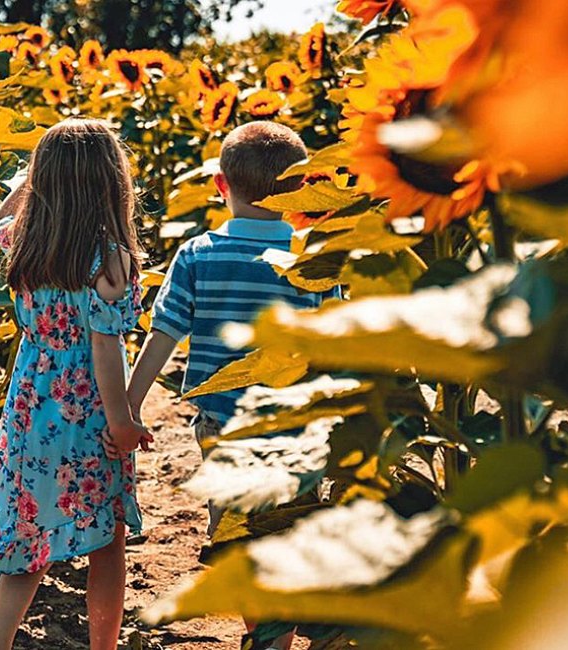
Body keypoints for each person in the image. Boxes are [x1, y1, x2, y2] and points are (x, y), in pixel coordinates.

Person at [126, 121, 338, 650]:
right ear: (302, 186)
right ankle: (278, 637)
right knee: (292, 528)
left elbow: (164, 334)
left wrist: (130, 405)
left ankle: (262, 636)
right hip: (298, 422)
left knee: (236, 536)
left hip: (223, 425)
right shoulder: (312, 255)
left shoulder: (198, 254)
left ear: (221, 185)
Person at [0, 119, 153, 650]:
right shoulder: (110, 260)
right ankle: (103, 647)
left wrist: (31, 178)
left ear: (41, 181)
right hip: (89, 416)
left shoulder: (23, 243)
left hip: (32, 406)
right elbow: (104, 351)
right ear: (112, 184)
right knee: (107, 540)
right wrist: (121, 423)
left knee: (28, 539)